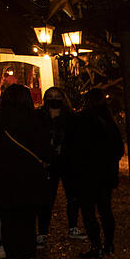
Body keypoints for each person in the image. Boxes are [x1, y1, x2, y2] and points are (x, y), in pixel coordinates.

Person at [0, 84, 52, 259]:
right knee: (27, 222)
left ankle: (14, 258)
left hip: (1, 179)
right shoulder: (33, 120)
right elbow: (44, 149)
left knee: (9, 222)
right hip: (28, 179)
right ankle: (28, 258)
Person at [67, 89, 125, 258]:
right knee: (105, 209)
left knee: (88, 211)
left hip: (86, 175)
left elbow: (74, 150)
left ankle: (96, 246)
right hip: (105, 174)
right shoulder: (109, 122)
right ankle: (109, 244)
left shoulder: (81, 120)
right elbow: (119, 149)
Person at [35, 86, 85, 245]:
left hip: (68, 162)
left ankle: (73, 227)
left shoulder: (71, 118)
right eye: (50, 96)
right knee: (46, 198)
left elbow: (77, 140)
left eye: (57, 96)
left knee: (73, 196)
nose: (54, 99)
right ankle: (42, 232)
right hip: (47, 163)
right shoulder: (39, 117)